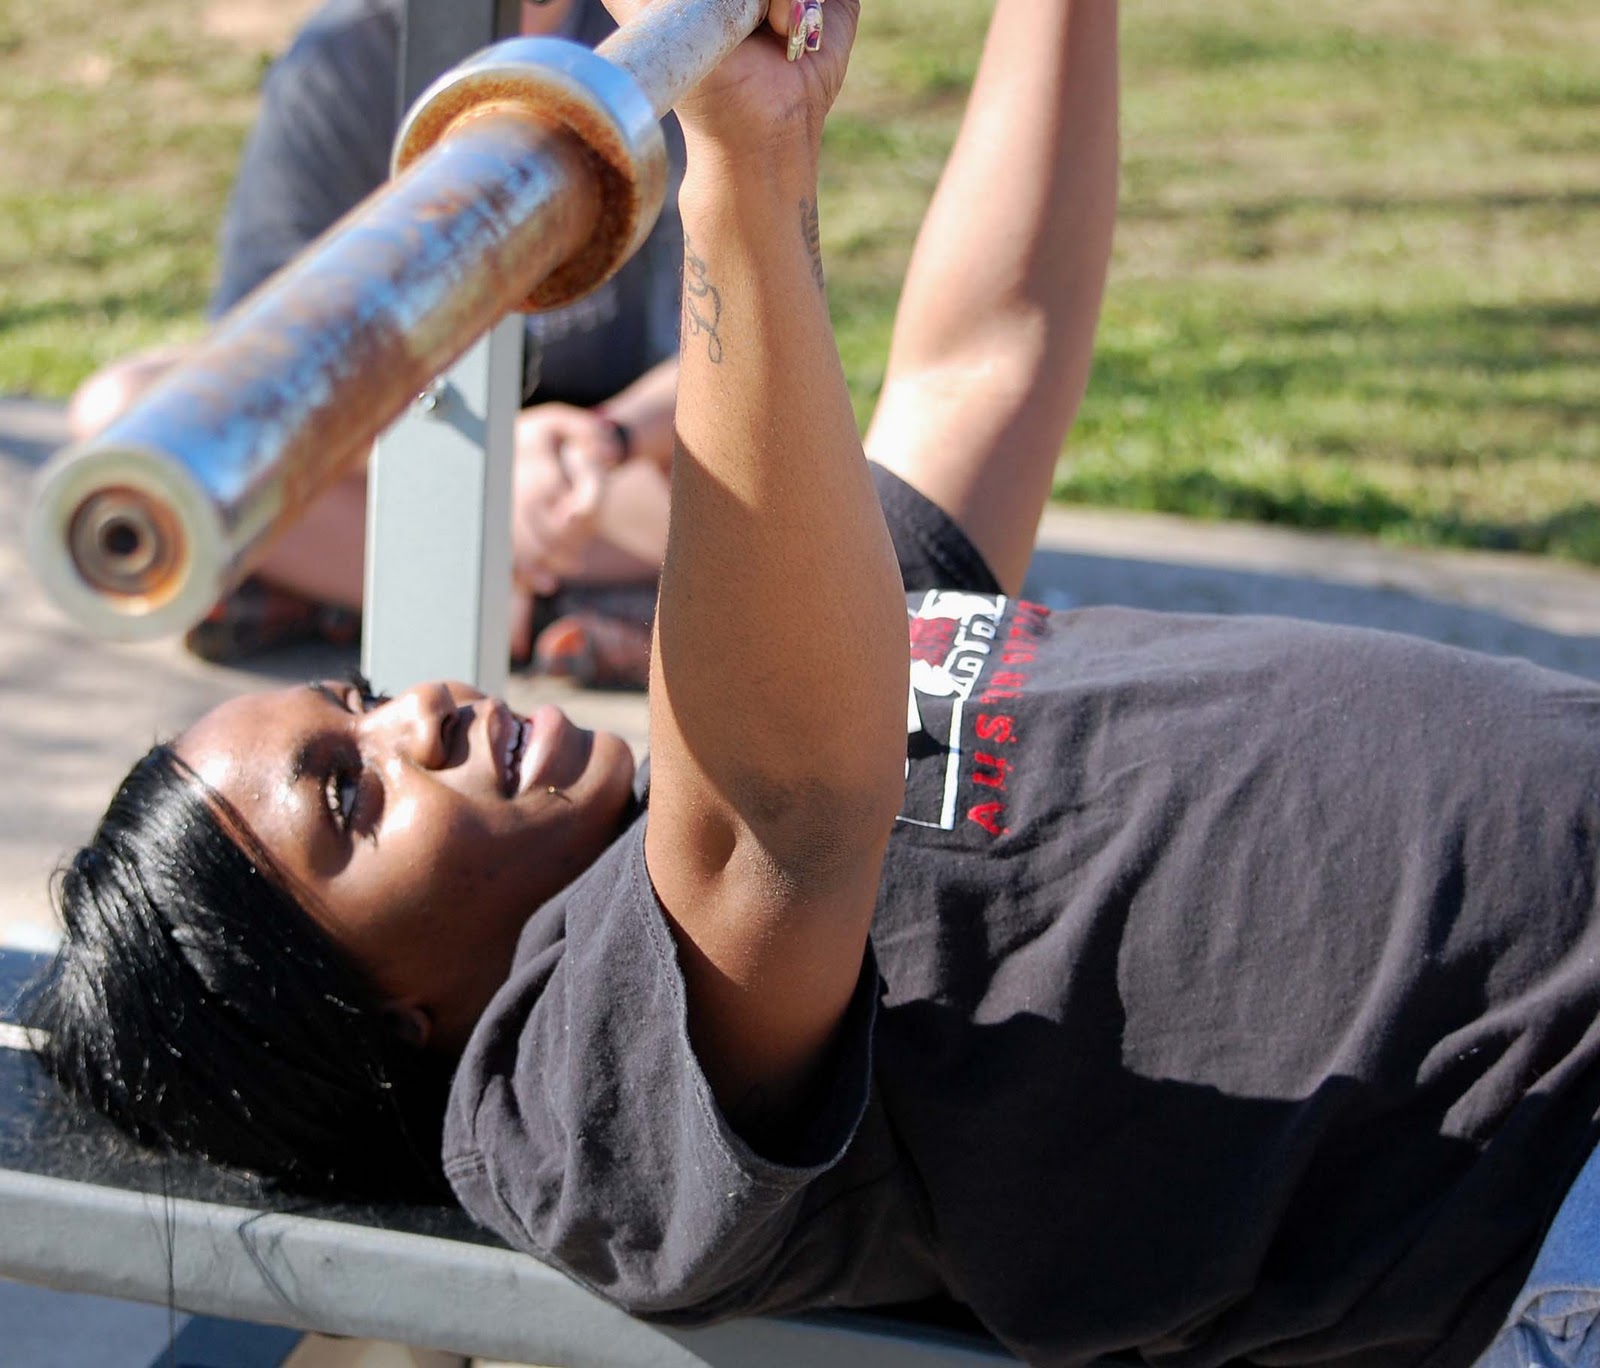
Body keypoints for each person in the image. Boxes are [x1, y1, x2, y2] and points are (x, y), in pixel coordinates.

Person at [29, 2, 1600, 1365]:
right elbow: (788, 813)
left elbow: (987, 354)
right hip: (1548, 1163)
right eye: (349, 798)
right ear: (380, 1022)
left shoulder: (751, 714)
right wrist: (743, 168)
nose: (414, 713)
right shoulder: (570, 1102)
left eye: (357, 701)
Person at [68, 0, 684, 684]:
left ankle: (355, 593)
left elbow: (714, 349)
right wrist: (486, 457)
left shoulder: (658, 40)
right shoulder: (339, 56)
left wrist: (604, 440)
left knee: (763, 503)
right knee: (132, 422)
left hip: (593, 464)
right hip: (392, 431)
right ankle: (546, 612)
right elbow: (265, 359)